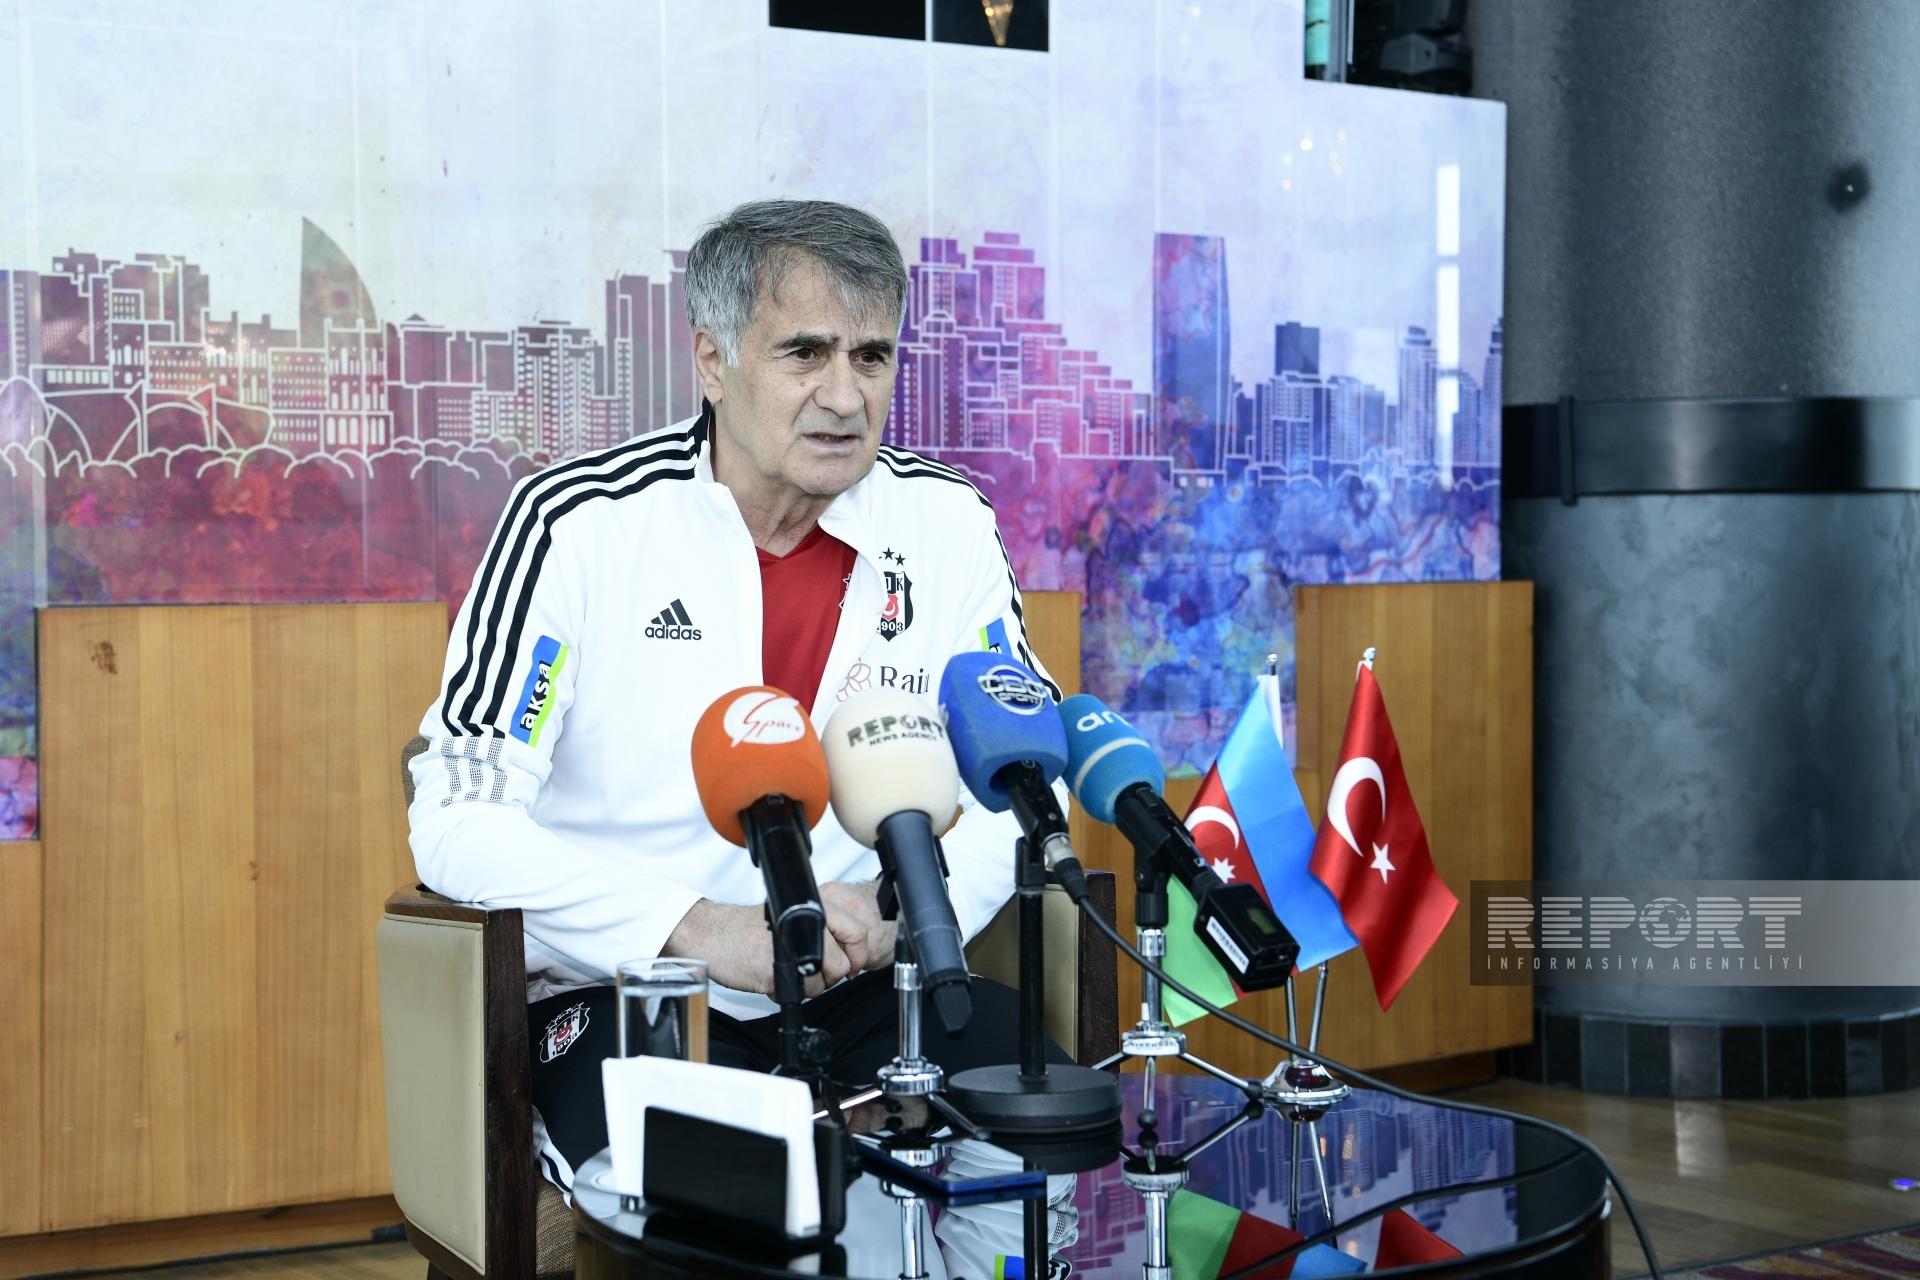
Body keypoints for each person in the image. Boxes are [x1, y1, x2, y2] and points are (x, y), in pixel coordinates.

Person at [406, 198, 1067, 1194]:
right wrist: (695, 925)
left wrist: (903, 917)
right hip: (633, 988)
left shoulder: (948, 526)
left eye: (872, 357)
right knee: (725, 1206)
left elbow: (1020, 787)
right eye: (805, 353)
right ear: (712, 361)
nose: (844, 396)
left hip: (867, 983)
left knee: (1046, 1153)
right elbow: (458, 817)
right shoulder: (576, 528)